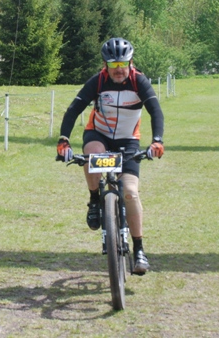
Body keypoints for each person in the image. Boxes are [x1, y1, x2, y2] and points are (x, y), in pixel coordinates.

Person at [56, 37, 164, 275]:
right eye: (113, 65)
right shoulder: (98, 81)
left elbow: (156, 111)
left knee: (130, 192)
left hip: (128, 140)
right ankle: (95, 199)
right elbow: (74, 109)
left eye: (122, 64)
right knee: (91, 155)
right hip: (99, 134)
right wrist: (64, 139)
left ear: (130, 63)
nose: (118, 70)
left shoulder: (139, 81)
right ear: (105, 65)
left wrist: (157, 140)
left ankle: (139, 249)